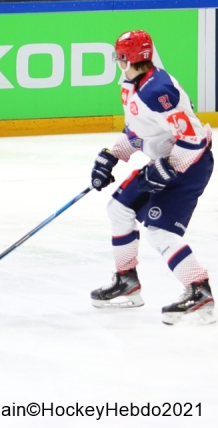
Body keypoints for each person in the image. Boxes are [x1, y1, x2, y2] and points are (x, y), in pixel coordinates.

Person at [89, 29, 214, 325]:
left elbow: (194, 138)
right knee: (118, 208)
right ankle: (126, 280)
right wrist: (113, 155)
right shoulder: (132, 85)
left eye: (118, 56)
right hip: (165, 162)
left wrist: (170, 168)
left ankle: (199, 291)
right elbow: (139, 130)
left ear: (125, 58)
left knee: (160, 232)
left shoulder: (157, 90)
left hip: (190, 167)